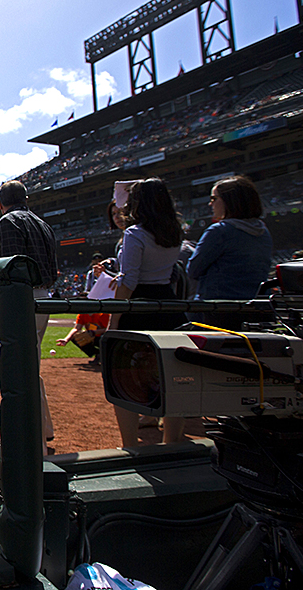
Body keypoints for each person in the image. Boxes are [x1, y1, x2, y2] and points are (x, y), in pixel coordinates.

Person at [107, 177, 188, 447]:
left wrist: (114, 318)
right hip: (168, 305)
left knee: (125, 379)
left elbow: (128, 281)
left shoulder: (134, 233)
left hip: (139, 308)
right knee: (174, 380)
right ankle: (172, 443)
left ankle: (130, 445)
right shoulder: (175, 232)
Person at [0, 179, 58, 450]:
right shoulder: (43, 223)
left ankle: (30, 441)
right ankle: (44, 427)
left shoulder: (8, 221)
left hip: (21, 300)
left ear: (1, 203)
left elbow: (9, 268)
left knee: (18, 368)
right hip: (44, 298)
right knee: (31, 364)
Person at [187, 175, 272, 330]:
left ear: (229, 201)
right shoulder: (263, 231)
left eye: (214, 199)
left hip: (216, 310)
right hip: (254, 308)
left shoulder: (220, 231)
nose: (210, 203)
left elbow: (193, 270)